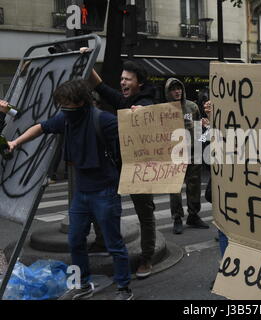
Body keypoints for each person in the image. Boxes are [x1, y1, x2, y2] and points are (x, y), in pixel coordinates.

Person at [1, 80, 133, 300]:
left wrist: (136, 115)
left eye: (66, 103)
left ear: (81, 101)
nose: (63, 108)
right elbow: (41, 127)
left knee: (114, 243)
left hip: (105, 191)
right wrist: (16, 142)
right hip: (81, 194)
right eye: (60, 103)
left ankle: (123, 288)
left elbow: (134, 134)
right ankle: (82, 284)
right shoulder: (66, 118)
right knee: (75, 240)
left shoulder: (104, 120)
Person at [85, 57, 156, 279]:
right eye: (122, 79)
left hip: (139, 167)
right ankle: (101, 240)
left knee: (145, 214)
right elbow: (99, 86)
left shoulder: (146, 101)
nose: (123, 83)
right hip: (117, 164)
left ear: (139, 83)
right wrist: (87, 59)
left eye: (128, 79)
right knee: (102, 204)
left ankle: (146, 258)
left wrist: (140, 114)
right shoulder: (123, 101)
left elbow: (147, 111)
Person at [165, 78, 209, 234]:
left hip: (193, 153)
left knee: (194, 187)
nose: (177, 91)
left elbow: (199, 130)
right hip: (174, 156)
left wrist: (201, 147)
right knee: (175, 190)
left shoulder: (192, 107)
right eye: (173, 89)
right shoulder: (164, 110)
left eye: (179, 89)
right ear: (168, 92)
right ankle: (177, 218)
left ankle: (193, 215)